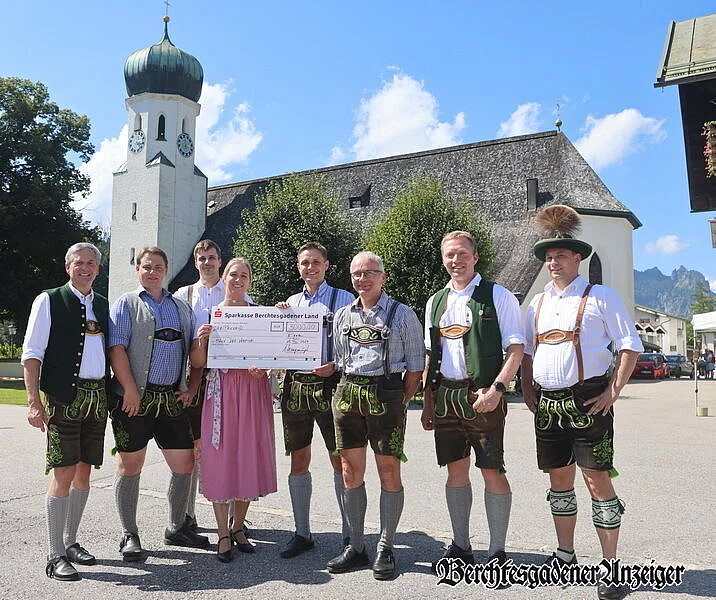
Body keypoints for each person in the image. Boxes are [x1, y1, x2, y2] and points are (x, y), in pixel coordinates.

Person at [520, 205, 642, 600]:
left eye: (560, 255)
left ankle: (611, 567)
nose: (553, 262)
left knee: (596, 478)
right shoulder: (537, 303)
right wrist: (528, 391)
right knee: (558, 480)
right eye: (548, 257)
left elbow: (629, 346)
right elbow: (526, 352)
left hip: (589, 400)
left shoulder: (600, 296)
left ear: (578, 258)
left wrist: (612, 392)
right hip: (547, 404)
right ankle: (565, 555)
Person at [422, 231, 525, 572]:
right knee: (455, 470)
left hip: (483, 394)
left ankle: (497, 552)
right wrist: (427, 402)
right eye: (450, 255)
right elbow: (430, 354)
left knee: (492, 469)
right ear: (443, 260)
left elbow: (516, 348)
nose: (456, 260)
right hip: (446, 395)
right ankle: (461, 545)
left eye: (462, 254)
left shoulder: (498, 295)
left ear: (475, 256)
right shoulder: (435, 301)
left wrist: (498, 389)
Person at [326, 251, 424, 580]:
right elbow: (340, 362)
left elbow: (416, 368)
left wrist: (400, 401)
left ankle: (386, 545)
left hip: (387, 393)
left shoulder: (403, 314)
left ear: (383, 277)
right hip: (348, 394)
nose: (362, 279)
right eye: (357, 274)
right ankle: (356, 545)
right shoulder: (343, 315)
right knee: (349, 472)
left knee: (388, 472)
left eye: (370, 273)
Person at [108, 246, 209, 562]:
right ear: (138, 270)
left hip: (170, 399)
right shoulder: (126, 303)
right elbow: (117, 349)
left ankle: (176, 526)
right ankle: (129, 534)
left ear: (166, 270)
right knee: (130, 466)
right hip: (134, 400)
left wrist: (193, 386)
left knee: (185, 464)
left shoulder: (181, 307)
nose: (152, 272)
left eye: (158, 267)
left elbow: (196, 354)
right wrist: (129, 389)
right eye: (147, 267)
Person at [21, 243, 109, 581]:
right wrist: (33, 401)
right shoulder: (49, 300)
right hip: (63, 399)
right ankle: (54, 553)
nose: (85, 268)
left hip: (97, 399)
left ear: (98, 269)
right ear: (67, 267)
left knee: (84, 473)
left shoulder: (102, 304)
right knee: (63, 473)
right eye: (79, 263)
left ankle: (71, 542)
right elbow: (32, 354)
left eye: (91, 263)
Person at [191, 258, 277, 563]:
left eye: (244, 275)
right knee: (222, 458)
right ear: (224, 277)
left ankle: (238, 527)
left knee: (247, 456)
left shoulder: (260, 313)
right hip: (223, 391)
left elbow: (273, 355)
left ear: (249, 280)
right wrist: (202, 341)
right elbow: (198, 362)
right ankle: (222, 533)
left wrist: (264, 367)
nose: (238, 279)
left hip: (252, 390)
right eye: (233, 274)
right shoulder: (210, 313)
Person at [275, 242, 355, 558]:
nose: (310, 267)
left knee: (340, 458)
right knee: (298, 459)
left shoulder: (345, 299)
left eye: (316, 262)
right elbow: (278, 346)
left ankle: (349, 534)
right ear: (298, 267)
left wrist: (335, 364)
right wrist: (277, 320)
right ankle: (302, 532)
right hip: (296, 386)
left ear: (326, 265)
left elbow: (355, 346)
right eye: (305, 263)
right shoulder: (291, 303)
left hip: (331, 384)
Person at [173, 239, 225, 532]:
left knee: (225, 447)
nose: (207, 262)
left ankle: (232, 516)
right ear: (196, 263)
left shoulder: (233, 290)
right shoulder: (183, 294)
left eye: (211, 257)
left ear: (220, 261)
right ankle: (188, 515)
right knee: (191, 449)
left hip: (226, 377)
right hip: (191, 376)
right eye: (202, 258)